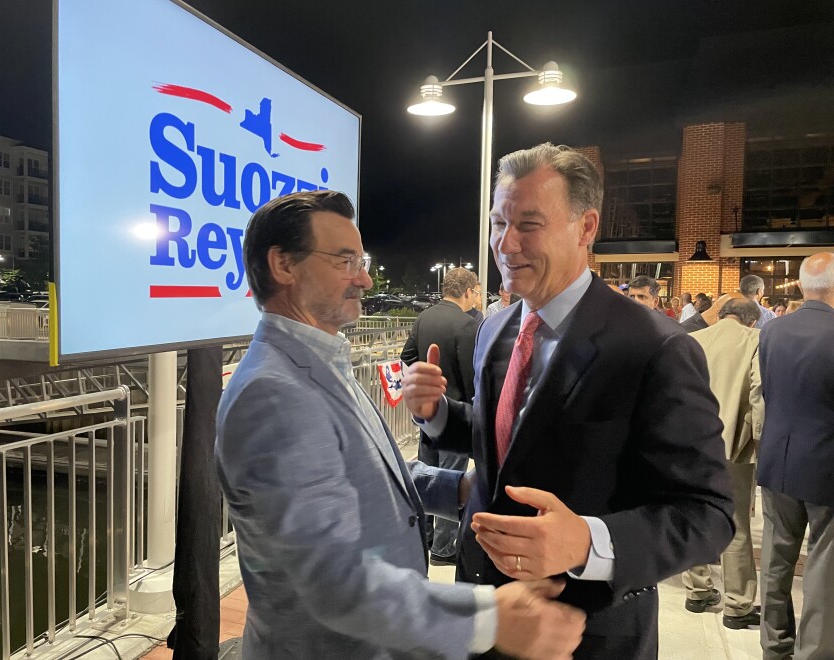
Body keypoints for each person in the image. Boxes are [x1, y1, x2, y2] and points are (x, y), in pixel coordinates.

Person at [216, 190, 585, 659]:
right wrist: (490, 618)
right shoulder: (274, 393)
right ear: (283, 266)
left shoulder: (317, 362)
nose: (365, 280)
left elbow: (362, 471)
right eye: (346, 261)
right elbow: (331, 579)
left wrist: (458, 489)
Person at [402, 143, 734, 659]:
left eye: (528, 224)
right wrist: (438, 414)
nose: (505, 244)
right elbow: (508, 437)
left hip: (586, 632)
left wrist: (586, 541)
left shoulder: (656, 347)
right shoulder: (495, 329)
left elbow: (709, 514)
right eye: (497, 223)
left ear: (586, 228)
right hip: (488, 611)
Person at [756, 252, 834, 660]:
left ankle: (775, 645)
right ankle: (815, 651)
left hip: (777, 457)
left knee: (776, 556)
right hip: (825, 464)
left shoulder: (772, 332)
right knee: (823, 565)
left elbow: (769, 392)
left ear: (802, 286)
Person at [682, 299, 764, 630]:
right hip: (733, 446)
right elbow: (758, 396)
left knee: (694, 513)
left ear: (720, 314)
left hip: (689, 443)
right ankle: (738, 605)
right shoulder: (754, 341)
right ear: (752, 321)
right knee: (736, 524)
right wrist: (760, 442)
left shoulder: (695, 340)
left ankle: (697, 590)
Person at [401, 267, 478, 566]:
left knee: (427, 476)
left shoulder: (424, 317)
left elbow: (408, 356)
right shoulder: (467, 325)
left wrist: (426, 378)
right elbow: (473, 378)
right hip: (454, 417)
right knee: (449, 481)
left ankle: (429, 538)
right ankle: (443, 549)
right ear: (468, 291)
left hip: (426, 414)